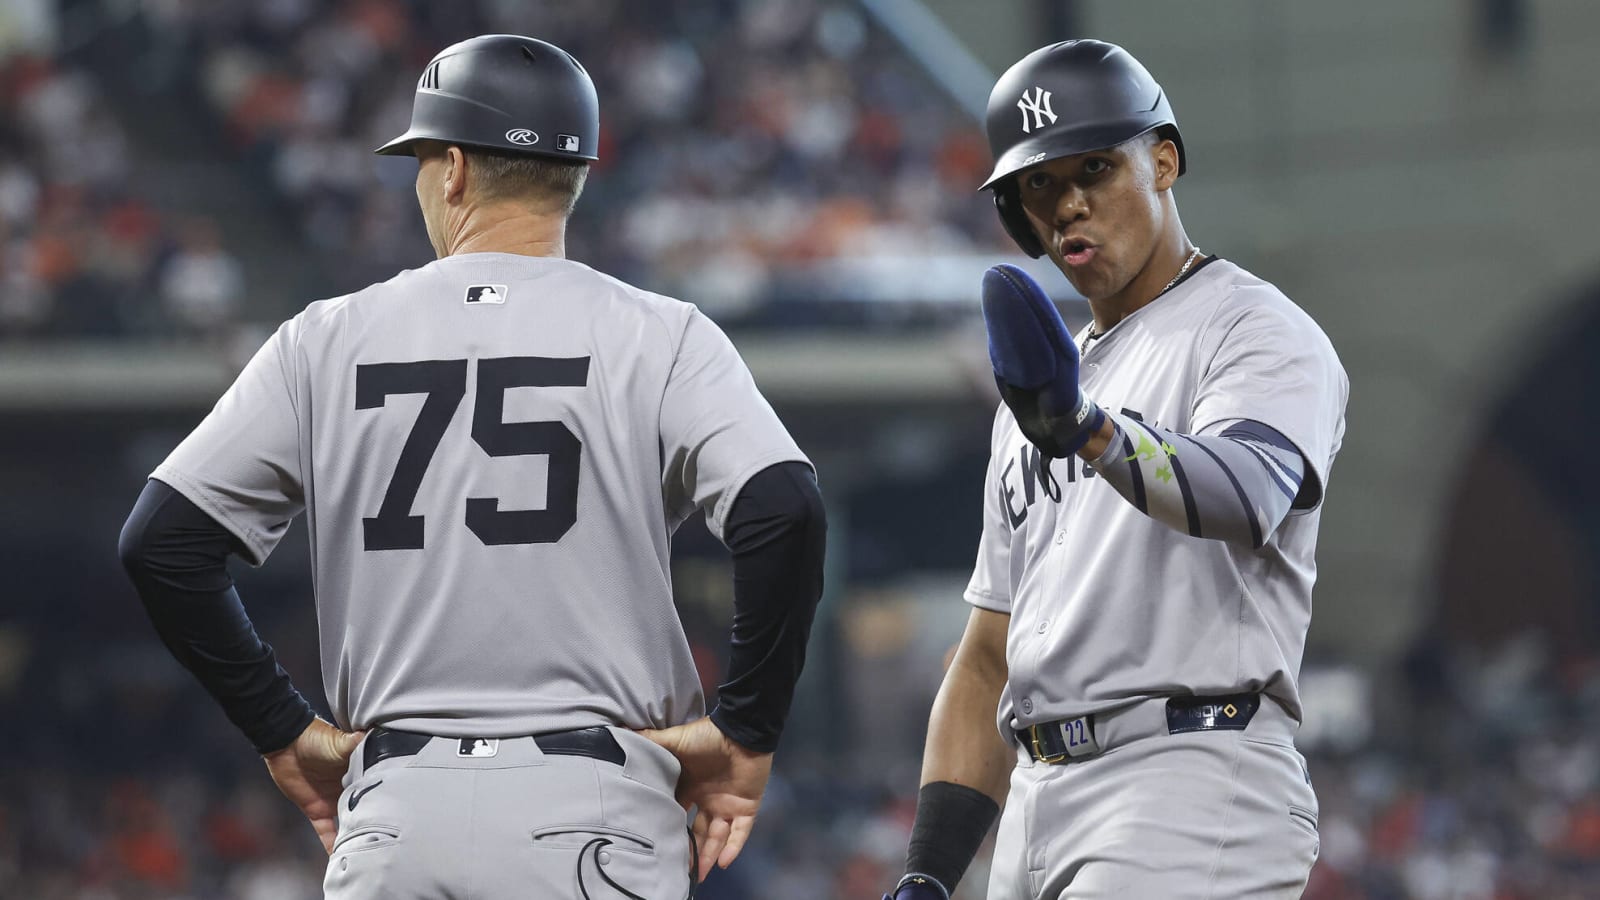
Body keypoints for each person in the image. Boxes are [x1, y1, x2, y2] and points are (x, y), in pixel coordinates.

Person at [118, 34, 826, 899]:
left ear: (452, 169)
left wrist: (281, 729)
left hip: (395, 816)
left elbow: (162, 543)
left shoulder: (324, 339)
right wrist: (746, 730)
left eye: (419, 161)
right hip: (595, 807)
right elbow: (784, 509)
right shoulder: (662, 333)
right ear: (576, 174)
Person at [884, 40, 1347, 900]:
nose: (1070, 205)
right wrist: (929, 871)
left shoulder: (1253, 331)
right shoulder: (1036, 403)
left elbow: (1247, 493)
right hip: (1036, 795)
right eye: (1041, 186)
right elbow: (988, 660)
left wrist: (1092, 433)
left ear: (1163, 160)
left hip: (1189, 773)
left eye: (1095, 168)